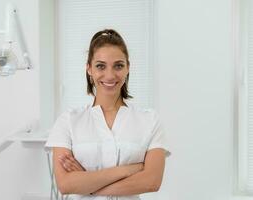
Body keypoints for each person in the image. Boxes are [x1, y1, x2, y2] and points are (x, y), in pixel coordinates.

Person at [45, 29, 171, 199]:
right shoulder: (69, 120)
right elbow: (66, 184)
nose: (110, 75)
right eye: (100, 66)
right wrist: (129, 170)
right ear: (89, 68)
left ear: (128, 68)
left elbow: (152, 182)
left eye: (118, 65)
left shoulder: (149, 120)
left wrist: (87, 183)